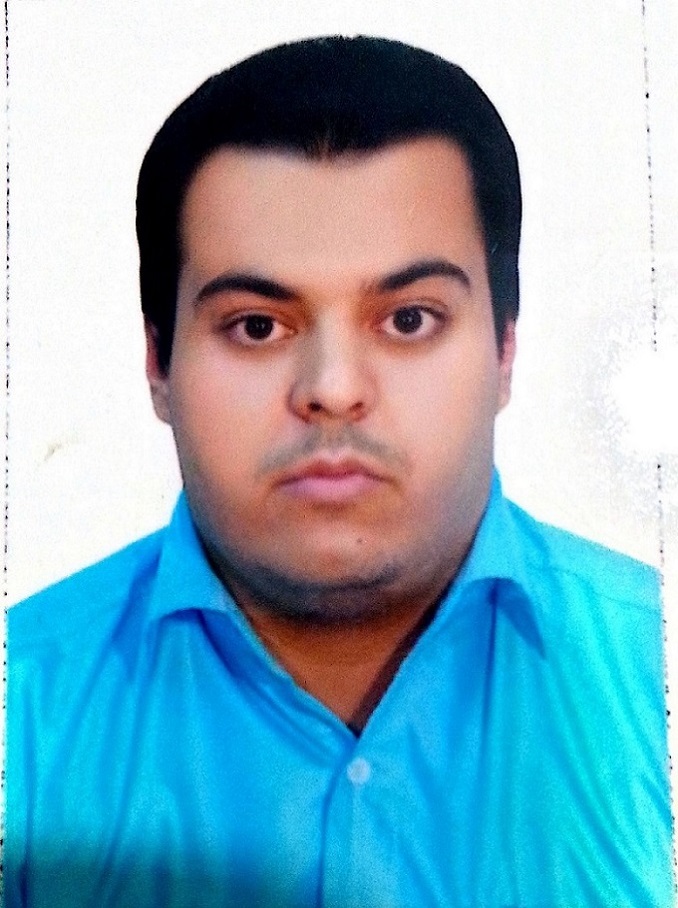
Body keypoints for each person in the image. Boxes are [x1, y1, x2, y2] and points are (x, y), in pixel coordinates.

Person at [6, 35, 673, 908]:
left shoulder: (652, 679)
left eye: (408, 320)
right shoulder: (24, 709)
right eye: (256, 326)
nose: (331, 389)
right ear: (158, 364)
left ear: (505, 350)